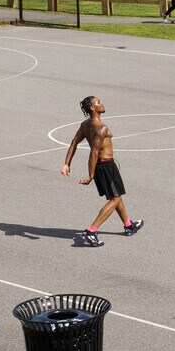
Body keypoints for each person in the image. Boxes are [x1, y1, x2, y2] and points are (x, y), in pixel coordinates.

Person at [61, 94, 141, 246]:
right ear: (93, 107)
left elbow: (73, 143)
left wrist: (66, 163)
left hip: (102, 166)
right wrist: (91, 175)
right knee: (115, 198)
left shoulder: (85, 124)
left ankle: (128, 225)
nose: (102, 104)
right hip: (105, 166)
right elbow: (94, 152)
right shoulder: (101, 128)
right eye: (99, 102)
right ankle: (91, 231)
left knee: (116, 195)